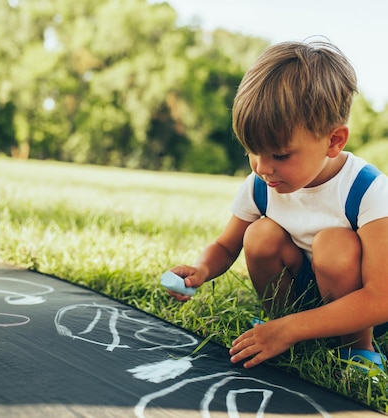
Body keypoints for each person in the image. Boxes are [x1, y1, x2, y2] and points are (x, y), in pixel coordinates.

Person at [166, 40, 388, 370]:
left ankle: (356, 349)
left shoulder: (366, 189)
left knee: (333, 243)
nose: (262, 167)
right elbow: (228, 246)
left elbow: (379, 299)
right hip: (300, 301)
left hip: (357, 312)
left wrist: (292, 329)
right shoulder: (262, 184)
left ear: (333, 141)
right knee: (259, 234)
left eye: (280, 155)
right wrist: (201, 270)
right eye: (252, 150)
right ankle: (278, 324)